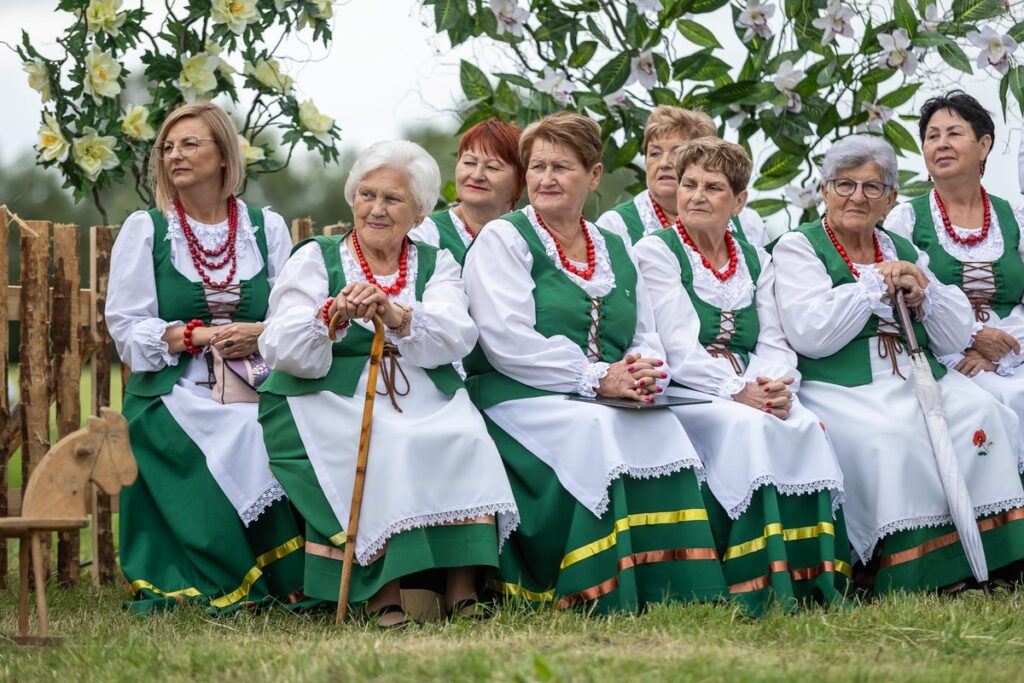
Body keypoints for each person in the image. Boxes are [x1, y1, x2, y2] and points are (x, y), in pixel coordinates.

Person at [463, 111, 727, 613]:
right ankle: (594, 587)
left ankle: (673, 587)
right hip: (518, 391)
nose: (545, 178)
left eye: (561, 167)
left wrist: (644, 370)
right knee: (599, 431)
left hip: (605, 389)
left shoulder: (614, 244)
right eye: (537, 167)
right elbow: (506, 341)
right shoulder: (505, 238)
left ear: (594, 175)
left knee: (663, 427)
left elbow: (645, 331)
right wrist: (597, 377)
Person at [257, 140, 519, 627]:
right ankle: (384, 591)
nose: (376, 209)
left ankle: (461, 589)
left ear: (419, 212)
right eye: (367, 195)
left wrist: (396, 314)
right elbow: (279, 341)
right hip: (332, 392)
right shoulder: (317, 258)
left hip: (418, 384)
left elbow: (457, 333)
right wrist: (329, 316)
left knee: (465, 436)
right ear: (352, 199)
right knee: (391, 440)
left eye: (392, 199)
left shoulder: (435, 261)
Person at [772, 134, 1024, 595]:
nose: (857, 197)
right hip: (843, 384)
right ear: (825, 190)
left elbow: (952, 333)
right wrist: (871, 287)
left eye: (872, 188)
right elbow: (811, 332)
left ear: (889, 200)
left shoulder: (899, 245)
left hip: (917, 372)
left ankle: (1000, 560)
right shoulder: (798, 246)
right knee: (892, 437)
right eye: (844, 185)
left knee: (982, 415)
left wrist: (923, 290)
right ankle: (914, 572)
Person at [635, 138, 848, 615]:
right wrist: (737, 391)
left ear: (739, 200)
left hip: (752, 385)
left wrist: (772, 386)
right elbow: (677, 347)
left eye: (713, 187)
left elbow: (774, 338)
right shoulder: (657, 251)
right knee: (749, 427)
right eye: (689, 184)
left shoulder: (756, 258)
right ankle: (754, 580)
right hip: (690, 391)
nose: (696, 195)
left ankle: (813, 577)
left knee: (806, 426)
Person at [107, 102, 303, 613]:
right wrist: (198, 337)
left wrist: (258, 332)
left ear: (223, 155)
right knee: (243, 432)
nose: (175, 155)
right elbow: (127, 329)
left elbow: (294, 313)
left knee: (292, 424)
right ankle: (246, 575)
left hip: (256, 380)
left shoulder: (267, 228)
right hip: (171, 390)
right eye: (167, 147)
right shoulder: (147, 229)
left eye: (190, 144)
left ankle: (304, 571)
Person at [885, 91, 1024, 470]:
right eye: (932, 136)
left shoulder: (1015, 216)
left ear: (984, 145)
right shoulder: (905, 220)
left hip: (1015, 350)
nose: (941, 144)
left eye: (953, 133)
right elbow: (904, 302)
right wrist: (971, 339)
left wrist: (1006, 350)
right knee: (993, 402)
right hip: (945, 355)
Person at [597, 105, 767, 246]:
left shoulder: (748, 223)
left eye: (677, 152)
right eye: (654, 153)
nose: (664, 163)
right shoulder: (615, 225)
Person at [410, 118, 525, 264]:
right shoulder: (425, 235)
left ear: (521, 178)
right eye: (469, 163)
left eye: (493, 167)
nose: (477, 175)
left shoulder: (532, 236)